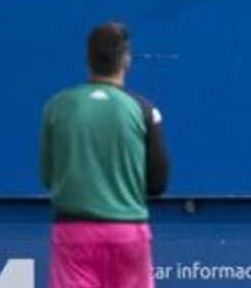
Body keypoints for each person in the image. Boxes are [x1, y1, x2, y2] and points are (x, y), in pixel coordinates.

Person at [40, 22, 169, 288]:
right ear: (126, 60)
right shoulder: (143, 110)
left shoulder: (57, 107)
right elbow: (158, 183)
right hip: (128, 234)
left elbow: (47, 177)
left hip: (74, 234)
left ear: (88, 59)